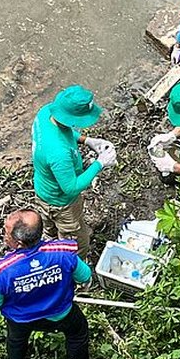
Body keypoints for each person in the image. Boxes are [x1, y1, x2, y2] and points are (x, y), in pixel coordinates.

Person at [0, 209, 93, 359]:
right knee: (78, 334)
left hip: (21, 319)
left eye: (6, 231)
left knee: (16, 342)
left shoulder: (4, 271)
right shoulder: (62, 254)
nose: (4, 235)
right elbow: (85, 276)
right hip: (61, 312)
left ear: (18, 243)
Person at [32, 85, 116, 260]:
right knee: (76, 242)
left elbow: (63, 129)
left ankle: (51, 241)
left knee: (49, 229)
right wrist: (100, 163)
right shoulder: (59, 153)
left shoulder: (45, 113)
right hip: (62, 203)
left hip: (43, 190)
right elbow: (71, 187)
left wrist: (86, 140)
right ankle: (75, 270)